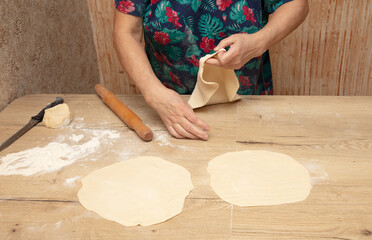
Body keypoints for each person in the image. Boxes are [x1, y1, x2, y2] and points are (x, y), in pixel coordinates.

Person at [113, 0, 309, 140]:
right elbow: (126, 31)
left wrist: (259, 41)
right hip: (167, 107)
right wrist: (153, 93)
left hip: (247, 100)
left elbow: (296, 4)